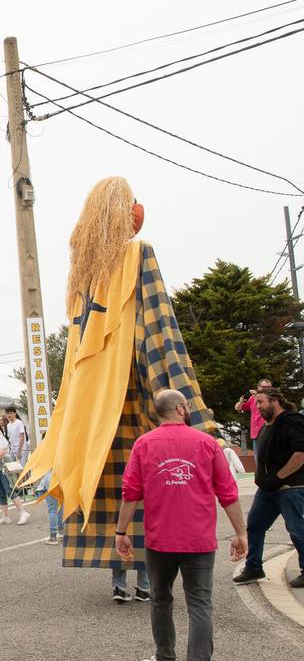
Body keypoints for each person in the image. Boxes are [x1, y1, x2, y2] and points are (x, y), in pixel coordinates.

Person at [20, 176, 214, 606]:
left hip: (88, 408)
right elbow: (159, 333)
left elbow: (74, 353)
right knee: (145, 492)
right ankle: (145, 579)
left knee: (104, 487)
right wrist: (192, 414)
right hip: (132, 396)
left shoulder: (82, 276)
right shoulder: (138, 254)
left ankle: (120, 581)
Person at [116, 389, 247, 661]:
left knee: (161, 599)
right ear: (179, 408)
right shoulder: (206, 443)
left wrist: (121, 531)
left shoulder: (144, 444)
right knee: (200, 604)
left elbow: (130, 492)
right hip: (198, 540)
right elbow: (227, 491)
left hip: (160, 540)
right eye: (186, 406)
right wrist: (241, 533)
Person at [232, 389, 304, 588]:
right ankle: (254, 567)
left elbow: (301, 453)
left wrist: (280, 477)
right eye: (256, 403)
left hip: (290, 487)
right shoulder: (267, 426)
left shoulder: (292, 421)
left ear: (276, 401)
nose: (258, 407)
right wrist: (267, 481)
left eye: (261, 402)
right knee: (255, 525)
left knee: (296, 529)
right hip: (267, 490)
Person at [0, 423, 30, 525]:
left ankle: (23, 512)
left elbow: (2, 452)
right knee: (1, 494)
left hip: (4, 469)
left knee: (9, 490)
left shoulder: (1, 439)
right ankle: (5, 516)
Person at [236, 379, 273, 456]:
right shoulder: (253, 398)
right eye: (264, 387)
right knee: (258, 460)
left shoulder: (273, 398)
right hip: (256, 435)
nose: (267, 389)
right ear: (258, 387)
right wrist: (241, 402)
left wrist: (258, 395)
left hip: (268, 434)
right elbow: (238, 408)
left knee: (269, 459)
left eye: (269, 387)